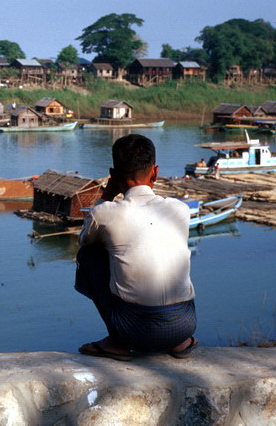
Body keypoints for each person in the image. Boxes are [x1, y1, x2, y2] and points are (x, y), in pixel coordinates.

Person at [75, 134, 197, 361]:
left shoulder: (105, 213)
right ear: (156, 172)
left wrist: (107, 195)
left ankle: (115, 342)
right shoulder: (180, 210)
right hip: (185, 324)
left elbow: (84, 240)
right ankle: (179, 343)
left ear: (113, 175)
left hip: (133, 332)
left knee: (88, 254)